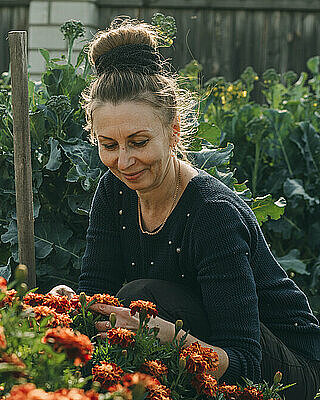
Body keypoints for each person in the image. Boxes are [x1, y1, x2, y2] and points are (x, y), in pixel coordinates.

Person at [49, 17, 320, 399]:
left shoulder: (212, 214)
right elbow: (97, 293)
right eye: (109, 145)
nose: (124, 161)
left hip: (288, 368)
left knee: (142, 294)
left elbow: (245, 359)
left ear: (173, 130)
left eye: (139, 142)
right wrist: (65, 309)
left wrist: (175, 340)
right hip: (197, 338)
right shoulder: (112, 191)